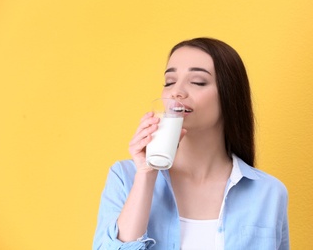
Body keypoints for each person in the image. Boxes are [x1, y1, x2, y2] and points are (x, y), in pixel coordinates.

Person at [93, 37, 290, 250]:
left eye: (197, 82)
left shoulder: (268, 192)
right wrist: (147, 174)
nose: (176, 91)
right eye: (169, 82)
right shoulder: (126, 177)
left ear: (229, 96)